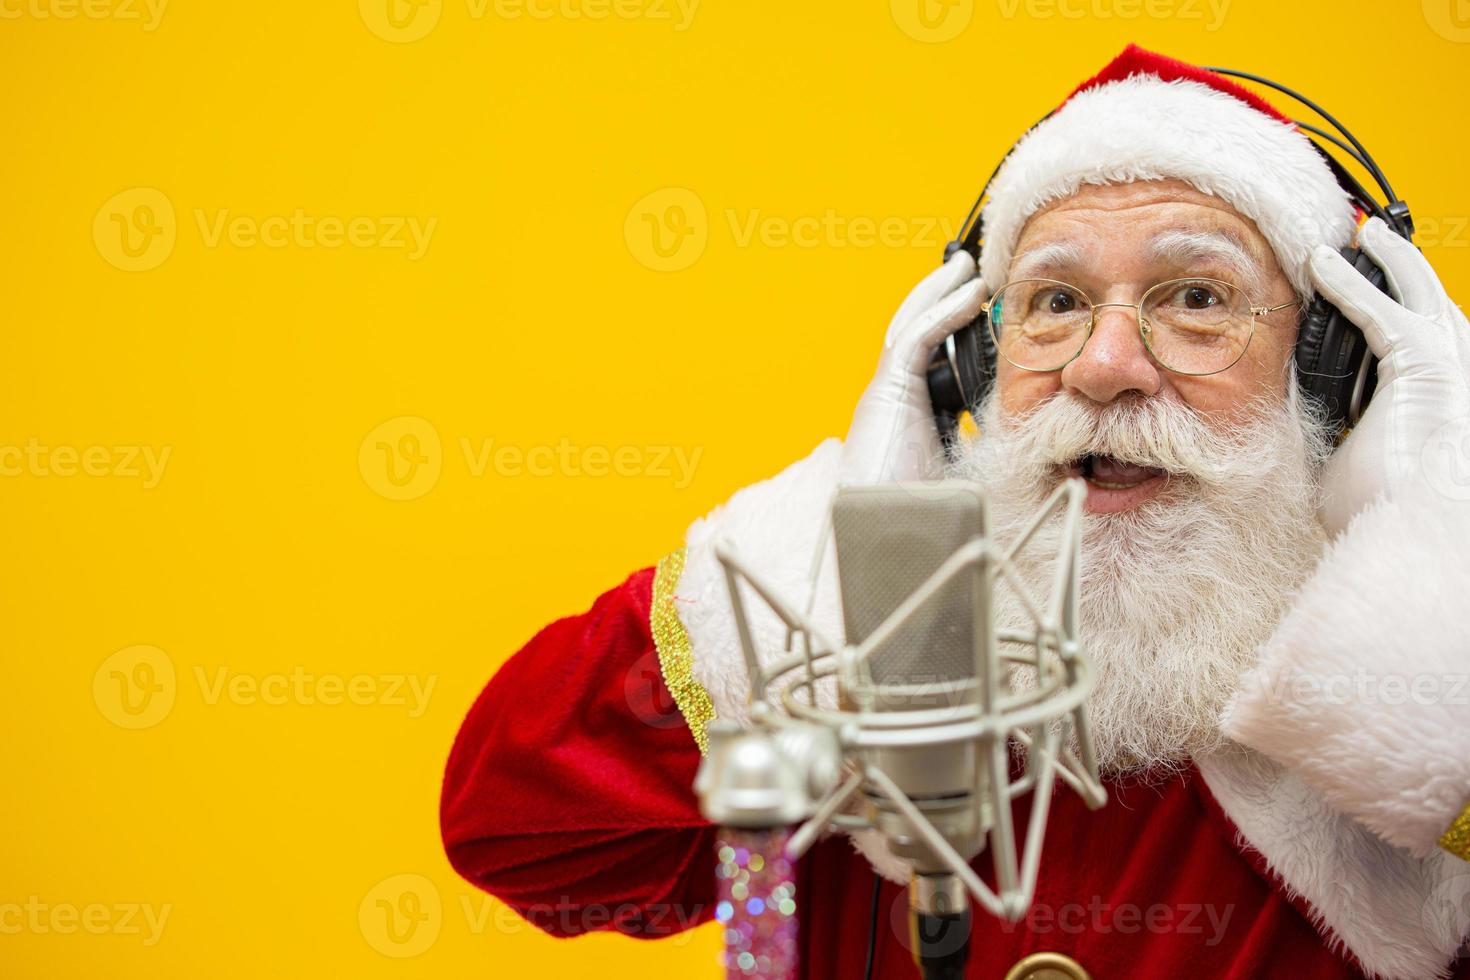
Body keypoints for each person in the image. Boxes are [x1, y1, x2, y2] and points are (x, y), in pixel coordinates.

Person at [440, 45, 1470, 979]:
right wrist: (855, 551)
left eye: (1198, 297)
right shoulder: (872, 658)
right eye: (1055, 301)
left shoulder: (1422, 697)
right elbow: (520, 832)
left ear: (1340, 369)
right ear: (969, 366)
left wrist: (1425, 563)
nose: (1104, 367)